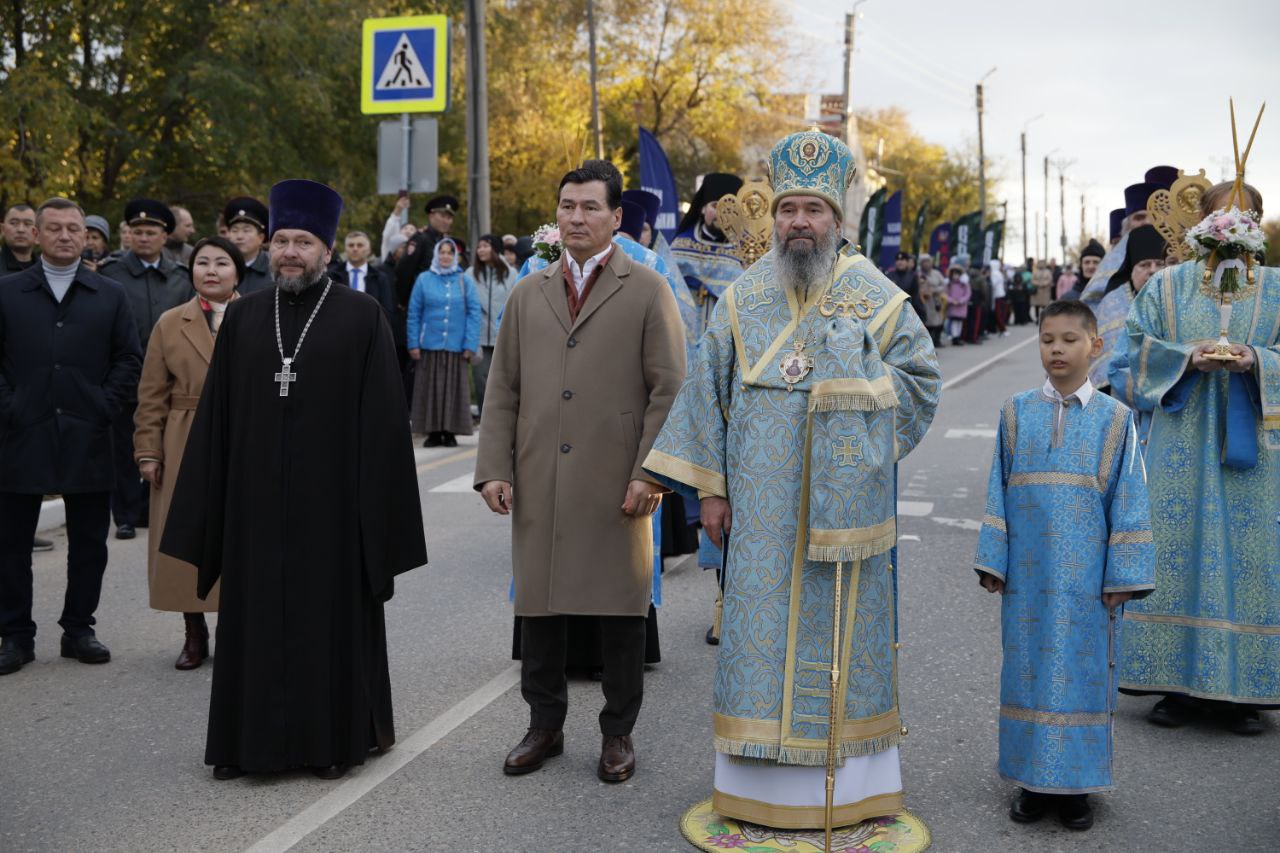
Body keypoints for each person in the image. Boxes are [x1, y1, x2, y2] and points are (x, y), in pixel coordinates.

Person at [643, 130, 941, 829]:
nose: (799, 222)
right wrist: (710, 491)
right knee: (756, 640)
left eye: (812, 209)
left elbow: (921, 383)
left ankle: (854, 789)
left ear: (838, 219)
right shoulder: (743, 299)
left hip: (846, 517)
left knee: (842, 642)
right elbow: (704, 396)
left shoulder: (875, 296)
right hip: (761, 516)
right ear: (772, 217)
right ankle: (759, 793)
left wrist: (855, 389)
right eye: (787, 209)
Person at [159, 178, 427, 780]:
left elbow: (385, 428)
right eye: (280, 240)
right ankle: (244, 746)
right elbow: (218, 425)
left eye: (303, 242)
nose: (289, 252)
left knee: (327, 626)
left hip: (333, 514)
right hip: (255, 512)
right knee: (252, 626)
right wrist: (210, 509)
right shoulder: (246, 317)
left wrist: (375, 527)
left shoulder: (362, 317)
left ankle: (332, 743)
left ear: (327, 251)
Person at [475, 159, 686, 784]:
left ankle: (618, 732)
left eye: (591, 207)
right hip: (541, 475)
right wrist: (493, 466)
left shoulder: (647, 290)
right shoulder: (528, 291)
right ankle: (544, 726)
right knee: (539, 609)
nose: (576, 217)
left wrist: (651, 473)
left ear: (616, 218)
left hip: (619, 478)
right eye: (567, 205)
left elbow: (670, 390)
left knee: (620, 611)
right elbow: (503, 387)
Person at [975, 299, 1153, 831]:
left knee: (1083, 674)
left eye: (1069, 339)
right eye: (1048, 339)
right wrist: (994, 559)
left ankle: (1077, 787)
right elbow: (997, 489)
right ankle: (1031, 782)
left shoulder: (1116, 419)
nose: (1057, 349)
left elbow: (1129, 497)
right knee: (1026, 670)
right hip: (1028, 581)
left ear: (1095, 346)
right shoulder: (1015, 411)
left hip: (1087, 582)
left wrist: (1123, 573)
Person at [1117, 180, 1280, 736]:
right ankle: (1175, 682)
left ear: (1259, 222)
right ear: (1202, 220)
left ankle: (1244, 690)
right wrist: (1186, 358)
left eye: (1249, 212)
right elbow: (1128, 355)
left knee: (1249, 556)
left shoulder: (1278, 289)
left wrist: (1257, 359)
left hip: (1256, 452)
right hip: (1180, 443)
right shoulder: (1166, 288)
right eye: (1225, 211)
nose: (1236, 220)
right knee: (1177, 552)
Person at [0, 198, 142, 676]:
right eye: (54, 228)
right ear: (37, 235)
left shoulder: (110, 294)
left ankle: (79, 627)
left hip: (89, 432)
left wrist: (103, 405)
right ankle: (15, 635)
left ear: (86, 236)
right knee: (10, 542)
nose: (64, 236)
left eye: (73, 229)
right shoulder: (7, 292)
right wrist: (10, 406)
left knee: (88, 541)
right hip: (21, 433)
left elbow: (128, 360)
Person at [133, 237, 244, 670]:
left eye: (221, 263)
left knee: (241, 533)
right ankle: (193, 628)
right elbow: (151, 394)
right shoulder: (169, 323)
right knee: (185, 533)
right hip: (184, 435)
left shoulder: (260, 317)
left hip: (243, 434)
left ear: (237, 271)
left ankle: (238, 628)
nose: (211, 270)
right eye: (202, 263)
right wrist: (148, 450)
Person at [99, 199, 192, 540]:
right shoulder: (111, 272)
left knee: (168, 444)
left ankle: (162, 509)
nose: (143, 238)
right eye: (137, 231)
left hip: (172, 377)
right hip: (125, 373)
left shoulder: (181, 277)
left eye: (151, 232)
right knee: (124, 446)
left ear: (165, 235)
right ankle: (125, 514)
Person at [407, 238, 481, 448]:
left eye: (450, 252)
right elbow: (414, 312)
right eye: (442, 252)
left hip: (456, 346)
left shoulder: (464, 280)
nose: (446, 256)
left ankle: (449, 431)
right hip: (429, 344)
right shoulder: (424, 279)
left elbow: (474, 313)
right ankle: (432, 431)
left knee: (453, 390)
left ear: (455, 256)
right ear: (436, 255)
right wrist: (413, 343)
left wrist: (470, 344)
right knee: (429, 389)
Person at [1088, 225, 1166, 391]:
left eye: (1159, 264)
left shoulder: (1178, 302)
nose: (1152, 270)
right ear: (1131, 270)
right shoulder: (1112, 304)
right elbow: (1105, 368)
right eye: (1144, 265)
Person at [669, 172, 745, 332]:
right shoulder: (681, 245)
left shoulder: (747, 249)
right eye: (715, 206)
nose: (721, 213)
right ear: (703, 208)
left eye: (728, 208)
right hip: (686, 335)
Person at [395, 194, 468, 309]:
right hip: (421, 302)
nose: (446, 221)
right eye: (442, 216)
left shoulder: (447, 242)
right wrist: (405, 302)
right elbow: (405, 271)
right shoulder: (420, 239)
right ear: (431, 215)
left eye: (449, 218)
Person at [469, 234, 514, 419]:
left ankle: (501, 416)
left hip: (501, 335)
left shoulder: (511, 274)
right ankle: (483, 415)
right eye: (479, 246)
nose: (481, 250)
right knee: (480, 379)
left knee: (502, 380)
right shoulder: (469, 274)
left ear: (495, 249)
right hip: (478, 335)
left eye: (485, 246)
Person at [223, 197, 272, 294]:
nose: (239, 236)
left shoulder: (274, 270)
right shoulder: (220, 267)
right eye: (235, 230)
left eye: (246, 230)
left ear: (261, 238)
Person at [0, 204, 38, 276]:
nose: (21, 230)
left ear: (37, 231)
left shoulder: (46, 269)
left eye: (28, 224)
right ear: (2, 229)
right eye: (14, 223)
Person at [918, 254, 946, 346]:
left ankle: (936, 341)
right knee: (925, 324)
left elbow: (944, 285)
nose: (926, 264)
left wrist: (935, 290)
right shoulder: (918, 274)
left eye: (928, 262)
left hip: (935, 301)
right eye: (924, 262)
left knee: (937, 322)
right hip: (923, 301)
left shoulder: (936, 273)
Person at [945, 263, 970, 344]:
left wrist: (961, 301)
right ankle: (955, 337)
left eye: (957, 274)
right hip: (953, 306)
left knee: (960, 322)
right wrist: (952, 300)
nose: (956, 276)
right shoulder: (949, 284)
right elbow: (945, 294)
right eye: (954, 274)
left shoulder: (964, 284)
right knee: (954, 322)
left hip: (961, 306)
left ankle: (958, 337)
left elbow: (968, 294)